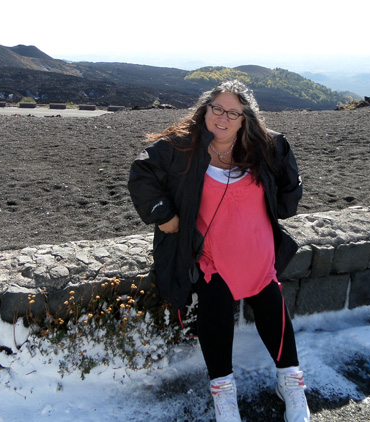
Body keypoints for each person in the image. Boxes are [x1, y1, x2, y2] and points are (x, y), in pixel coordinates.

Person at [128, 80, 309, 422]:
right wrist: (164, 216)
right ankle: (223, 393)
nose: (223, 118)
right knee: (215, 315)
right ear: (206, 109)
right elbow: (142, 171)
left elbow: (289, 191)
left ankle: (291, 383)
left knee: (273, 313)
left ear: (246, 119)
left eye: (233, 113)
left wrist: (287, 197)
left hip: (258, 256)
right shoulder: (183, 147)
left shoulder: (265, 147)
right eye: (217, 109)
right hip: (213, 258)